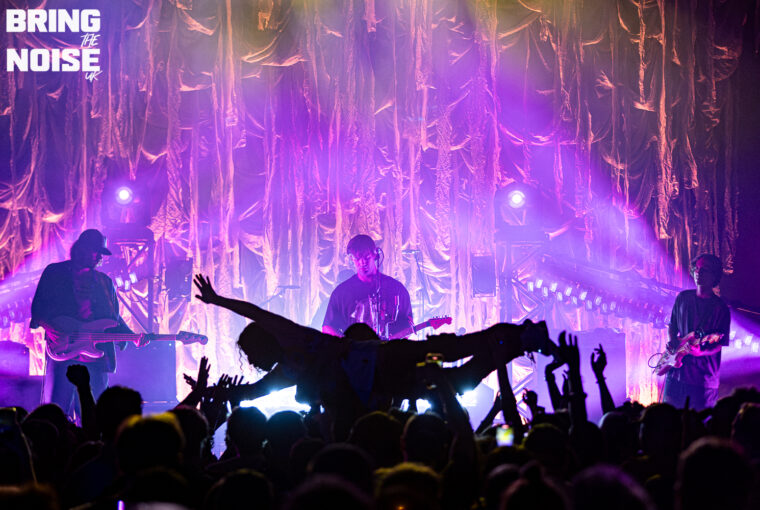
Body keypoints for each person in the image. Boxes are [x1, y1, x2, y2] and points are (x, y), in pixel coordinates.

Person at [193, 273, 554, 438]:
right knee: (458, 381)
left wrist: (218, 300)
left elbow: (256, 312)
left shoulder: (292, 339)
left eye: (251, 354)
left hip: (387, 358)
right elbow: (250, 392)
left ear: (262, 343)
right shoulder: (285, 373)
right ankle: (515, 344)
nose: (253, 363)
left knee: (454, 350)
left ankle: (521, 334)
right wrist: (206, 392)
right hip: (388, 381)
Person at [30, 229, 145, 419]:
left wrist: (132, 337)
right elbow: (38, 309)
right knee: (56, 413)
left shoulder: (105, 282)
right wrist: (53, 329)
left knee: (95, 414)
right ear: (81, 249)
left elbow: (114, 318)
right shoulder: (55, 273)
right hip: (63, 351)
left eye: (101, 253)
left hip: (96, 356)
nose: (99, 257)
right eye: (96, 251)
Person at [661, 254, 730, 410]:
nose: (698, 273)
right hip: (676, 374)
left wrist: (701, 352)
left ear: (714, 275)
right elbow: (672, 325)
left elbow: (719, 344)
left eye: (704, 270)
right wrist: (672, 341)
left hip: (702, 381)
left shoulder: (720, 308)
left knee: (698, 421)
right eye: (696, 268)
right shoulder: (683, 298)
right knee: (669, 419)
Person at [322, 235, 414, 339]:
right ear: (351, 258)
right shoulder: (341, 293)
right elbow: (327, 327)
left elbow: (407, 325)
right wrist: (346, 344)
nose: (362, 262)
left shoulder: (396, 289)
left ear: (375, 255)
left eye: (366, 257)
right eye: (357, 258)